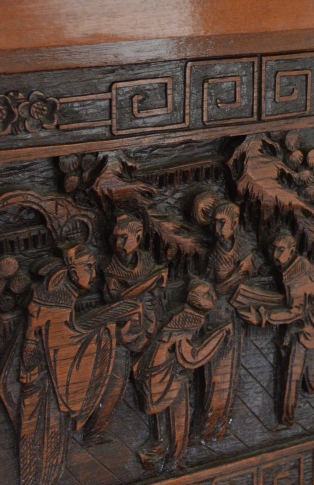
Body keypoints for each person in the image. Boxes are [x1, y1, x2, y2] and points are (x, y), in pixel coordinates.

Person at [0, 243, 118, 485]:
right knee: (40, 427)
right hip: (42, 374)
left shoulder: (62, 294)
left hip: (51, 372)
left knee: (55, 426)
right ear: (73, 272)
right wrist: (100, 333)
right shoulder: (54, 296)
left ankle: (46, 479)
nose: (94, 274)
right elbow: (59, 340)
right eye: (89, 267)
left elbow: (63, 335)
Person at [138, 281, 231, 471]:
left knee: (166, 415)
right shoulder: (189, 319)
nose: (213, 298)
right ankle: (175, 459)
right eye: (207, 295)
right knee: (179, 415)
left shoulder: (184, 315)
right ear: (193, 299)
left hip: (160, 370)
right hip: (166, 373)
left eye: (212, 293)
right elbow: (191, 356)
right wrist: (220, 334)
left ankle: (163, 452)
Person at [245, 232, 314, 426]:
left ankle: (287, 417)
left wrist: (263, 317)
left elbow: (294, 313)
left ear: (291, 250)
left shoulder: (299, 279)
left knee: (292, 370)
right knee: (308, 362)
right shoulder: (295, 264)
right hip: (308, 322)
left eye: (281, 250)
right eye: (273, 249)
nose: (275, 254)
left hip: (307, 327)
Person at [99, 213, 167, 450]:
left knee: (153, 377)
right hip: (125, 329)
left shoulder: (146, 260)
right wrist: (150, 282)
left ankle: (159, 434)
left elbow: (160, 289)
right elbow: (119, 297)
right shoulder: (110, 267)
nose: (118, 244)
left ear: (138, 237)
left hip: (152, 323)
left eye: (123, 238)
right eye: (115, 238)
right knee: (119, 379)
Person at [200, 200, 254, 440]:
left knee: (230, 374)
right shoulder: (215, 256)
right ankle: (209, 425)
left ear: (235, 223)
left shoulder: (244, 250)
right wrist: (236, 275)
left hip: (236, 318)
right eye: (215, 223)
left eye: (222, 222)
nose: (218, 228)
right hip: (217, 318)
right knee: (215, 375)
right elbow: (213, 288)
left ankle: (221, 425)